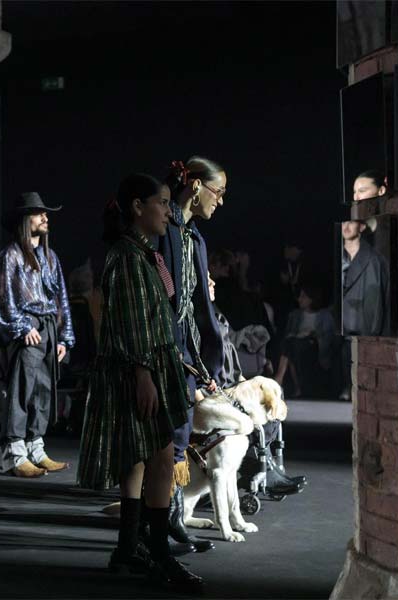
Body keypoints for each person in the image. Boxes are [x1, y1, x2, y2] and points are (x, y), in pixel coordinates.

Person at [77, 173, 202, 591]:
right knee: (162, 457)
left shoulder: (140, 252)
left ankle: (129, 548)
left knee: (138, 458)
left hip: (148, 365)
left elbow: (154, 313)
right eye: (161, 203)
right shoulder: (129, 257)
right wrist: (144, 373)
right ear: (137, 207)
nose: (168, 211)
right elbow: (133, 324)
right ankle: (159, 554)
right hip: (141, 368)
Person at [157, 158, 227, 555]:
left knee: (180, 438)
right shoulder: (163, 227)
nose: (220, 201)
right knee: (164, 440)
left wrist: (204, 366)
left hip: (186, 349)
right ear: (196, 186)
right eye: (218, 192)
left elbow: (196, 305)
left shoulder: (193, 238)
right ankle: (155, 529)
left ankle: (172, 523)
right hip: (162, 347)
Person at [0, 192, 74, 478]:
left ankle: (35, 449)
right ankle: (14, 454)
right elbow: (1, 297)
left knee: (42, 391)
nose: (45, 217)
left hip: (48, 329)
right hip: (28, 329)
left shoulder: (50, 257)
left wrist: (63, 337)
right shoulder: (11, 255)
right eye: (39, 213)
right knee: (21, 391)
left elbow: (62, 299)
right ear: (25, 220)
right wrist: (21, 327)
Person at [208, 276, 306, 496]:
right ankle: (258, 466)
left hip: (231, 380)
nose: (213, 283)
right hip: (217, 388)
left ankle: (267, 464)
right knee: (261, 406)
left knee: (274, 394)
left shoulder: (214, 312)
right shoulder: (201, 316)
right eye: (207, 280)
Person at [340, 219, 390, 399]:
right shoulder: (338, 256)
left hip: (362, 323)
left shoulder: (375, 259)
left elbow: (379, 296)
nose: (346, 227)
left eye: (351, 223)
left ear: (361, 227)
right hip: (343, 321)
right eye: (344, 222)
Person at [273, 283, 335, 398]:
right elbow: (289, 333)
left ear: (312, 299)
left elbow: (328, 337)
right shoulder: (295, 315)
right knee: (291, 344)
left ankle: (280, 378)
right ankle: (293, 384)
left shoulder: (325, 315)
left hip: (315, 345)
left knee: (292, 345)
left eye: (303, 296)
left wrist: (313, 335)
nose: (299, 299)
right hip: (295, 344)